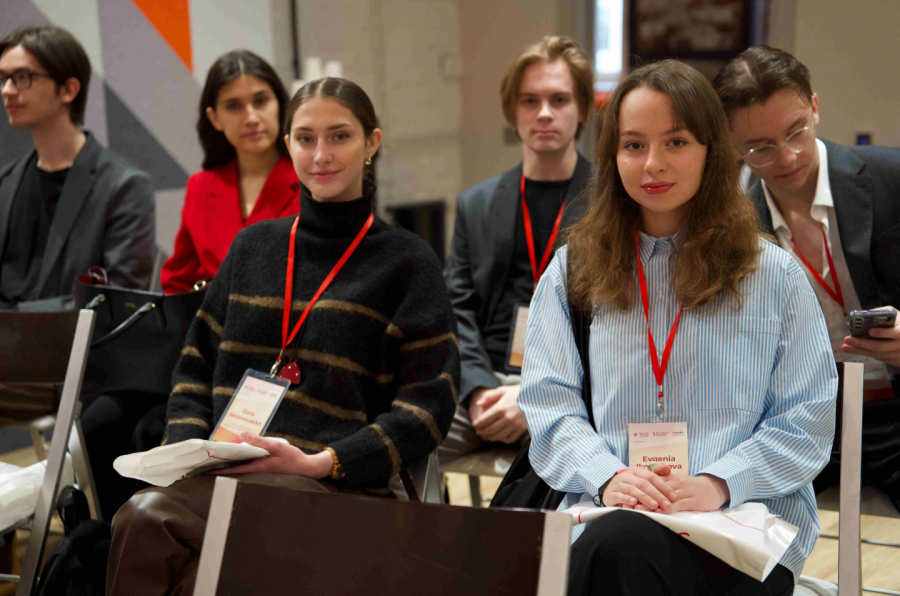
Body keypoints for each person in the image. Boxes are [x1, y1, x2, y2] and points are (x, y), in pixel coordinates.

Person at [107, 77, 460, 594]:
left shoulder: (407, 263)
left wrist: (325, 462)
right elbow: (194, 367)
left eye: (340, 136)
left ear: (372, 143)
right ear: (288, 144)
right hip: (225, 474)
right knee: (141, 517)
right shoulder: (252, 247)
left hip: (333, 484)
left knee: (191, 561)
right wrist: (187, 452)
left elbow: (429, 407)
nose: (321, 155)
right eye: (305, 138)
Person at [518, 60, 836, 595]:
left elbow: (807, 419)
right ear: (612, 156)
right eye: (633, 145)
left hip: (746, 526)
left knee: (613, 556)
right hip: (612, 508)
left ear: (712, 150)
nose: (653, 164)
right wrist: (608, 476)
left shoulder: (773, 275)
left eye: (677, 142)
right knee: (614, 547)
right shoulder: (575, 271)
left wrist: (719, 482)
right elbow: (549, 406)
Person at [714, 45, 900, 507]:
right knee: (743, 524)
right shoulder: (729, 226)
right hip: (800, 421)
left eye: (797, 131)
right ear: (732, 144)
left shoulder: (890, 177)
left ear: (814, 107)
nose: (788, 156)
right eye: (761, 147)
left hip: (895, 407)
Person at [443, 35, 593, 464]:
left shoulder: (612, 203)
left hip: (571, 389)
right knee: (405, 455)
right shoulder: (477, 203)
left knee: (567, 471)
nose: (544, 113)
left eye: (559, 99)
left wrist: (533, 397)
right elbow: (456, 307)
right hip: (485, 384)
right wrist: (477, 390)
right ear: (513, 111)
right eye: (530, 101)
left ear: (582, 108)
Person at [0, 26, 155, 310]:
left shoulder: (125, 187)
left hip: (74, 340)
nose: (7, 90)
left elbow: (119, 303)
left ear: (68, 90)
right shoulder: (5, 182)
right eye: (3, 78)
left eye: (22, 77)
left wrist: (14, 318)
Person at [160, 50, 299, 294]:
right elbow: (177, 285)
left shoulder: (311, 180)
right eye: (234, 106)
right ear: (214, 118)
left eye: (261, 101)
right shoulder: (200, 187)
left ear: (279, 105)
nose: (251, 117)